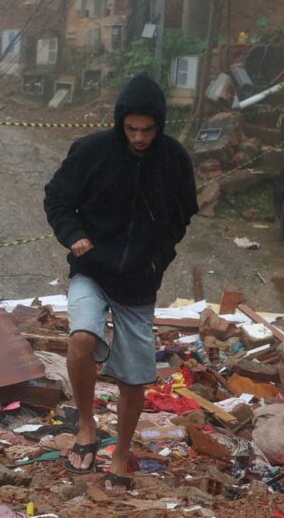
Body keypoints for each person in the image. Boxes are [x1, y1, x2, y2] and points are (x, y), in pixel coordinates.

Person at [43, 73, 198, 491]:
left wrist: (158, 258)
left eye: (147, 129)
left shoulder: (174, 160)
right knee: (81, 340)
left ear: (159, 125)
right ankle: (87, 427)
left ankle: (121, 454)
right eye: (131, 129)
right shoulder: (91, 152)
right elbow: (57, 199)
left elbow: (183, 214)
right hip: (92, 269)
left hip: (138, 282)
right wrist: (74, 237)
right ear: (120, 123)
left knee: (134, 375)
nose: (140, 138)